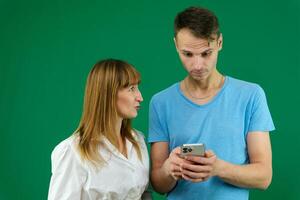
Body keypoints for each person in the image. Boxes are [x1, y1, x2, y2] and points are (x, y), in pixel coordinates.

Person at [148, 6, 275, 200]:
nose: (197, 65)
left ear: (220, 42)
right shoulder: (160, 102)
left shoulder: (251, 96)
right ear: (175, 45)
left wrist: (217, 169)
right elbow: (158, 184)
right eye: (188, 54)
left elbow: (264, 177)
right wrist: (168, 169)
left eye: (206, 53)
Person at [48, 59, 151, 200]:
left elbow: (144, 194)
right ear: (108, 94)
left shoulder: (138, 141)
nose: (140, 97)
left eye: (137, 88)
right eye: (131, 89)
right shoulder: (73, 151)